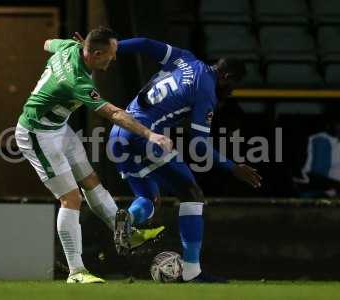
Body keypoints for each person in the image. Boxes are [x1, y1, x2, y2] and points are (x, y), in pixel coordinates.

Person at [14, 28, 171, 284]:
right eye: (110, 54)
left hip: (58, 127)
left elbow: (46, 43)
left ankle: (125, 233)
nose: (114, 59)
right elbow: (114, 114)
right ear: (95, 54)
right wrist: (150, 135)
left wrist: (74, 46)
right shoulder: (76, 81)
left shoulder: (67, 48)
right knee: (71, 198)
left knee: (90, 180)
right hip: (37, 133)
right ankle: (76, 272)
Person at [108, 38, 262, 282]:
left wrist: (114, 46)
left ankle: (131, 217)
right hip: (144, 136)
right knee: (192, 194)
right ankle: (192, 271)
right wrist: (233, 167)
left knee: (148, 198)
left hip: (117, 133)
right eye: (234, 84)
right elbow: (199, 144)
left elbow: (147, 44)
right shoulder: (206, 92)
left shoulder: (184, 58)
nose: (232, 91)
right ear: (227, 76)